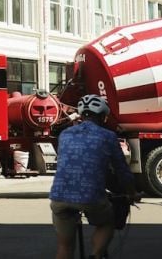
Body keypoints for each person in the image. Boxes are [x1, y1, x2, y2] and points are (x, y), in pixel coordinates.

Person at [50, 95, 138, 259]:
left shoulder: (65, 135)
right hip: (91, 196)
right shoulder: (108, 136)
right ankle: (96, 254)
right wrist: (131, 192)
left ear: (82, 114)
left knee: (65, 247)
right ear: (104, 116)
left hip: (59, 196)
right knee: (106, 223)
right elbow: (122, 170)